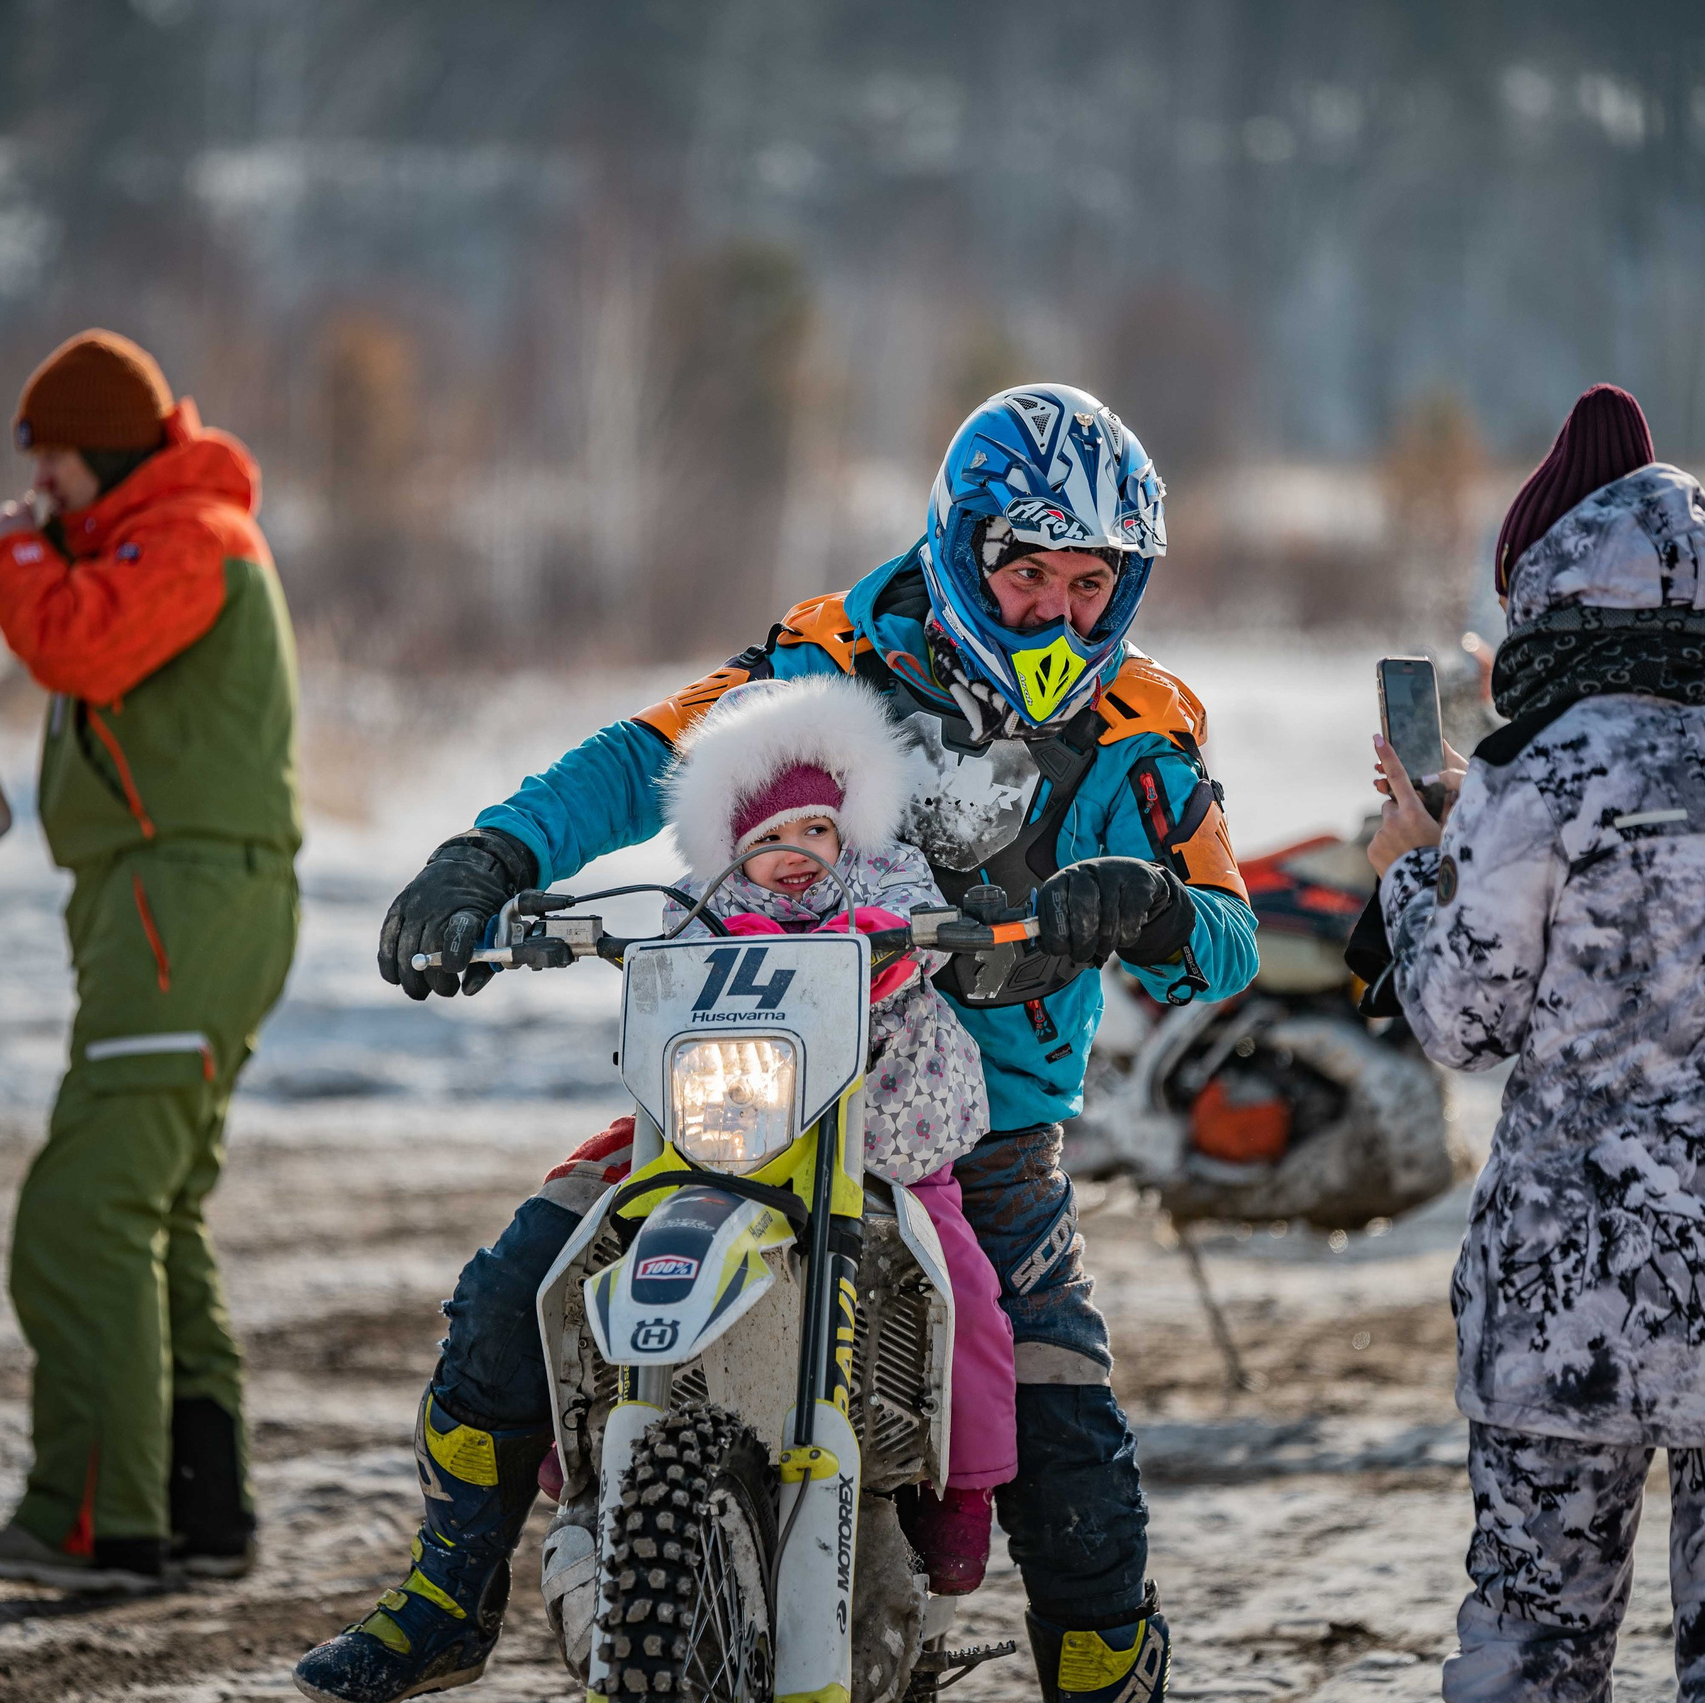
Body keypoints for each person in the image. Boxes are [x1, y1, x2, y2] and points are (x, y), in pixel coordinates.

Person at [294, 384, 1258, 1703]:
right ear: (967, 547)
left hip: (979, 1127)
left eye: (1092, 581)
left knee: (1064, 1423)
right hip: (751, 1073)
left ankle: (1102, 1668)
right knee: (521, 1284)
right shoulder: (831, 651)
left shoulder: (1147, 725)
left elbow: (1229, 937)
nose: (1059, 609)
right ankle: (448, 1590)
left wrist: (1145, 903)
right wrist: (489, 855)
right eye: (1030, 571)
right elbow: (652, 753)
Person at [1369, 383, 1705, 1702]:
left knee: (1537, 1656)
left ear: (1545, 587)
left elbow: (1462, 1015)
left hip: (1578, 1307)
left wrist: (1414, 870)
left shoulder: (1541, 764)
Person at [0, 331, 302, 1591]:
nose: (37, 485)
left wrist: (14, 550)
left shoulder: (191, 535)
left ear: (98, 445)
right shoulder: (170, 535)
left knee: (83, 1209)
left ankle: (95, 1520)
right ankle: (203, 1511)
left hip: (183, 903)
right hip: (170, 903)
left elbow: (75, 643)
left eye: (48, 458)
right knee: (157, 1208)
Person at [659, 673, 1016, 1585]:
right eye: (767, 837)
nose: (796, 853)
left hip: (889, 1136)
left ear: (846, 826)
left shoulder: (882, 873)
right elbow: (670, 958)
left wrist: (892, 935)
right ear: (730, 843)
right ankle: (598, 1455)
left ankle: (962, 1493)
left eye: (815, 828)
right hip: (740, 1143)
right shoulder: (704, 903)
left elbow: (924, 923)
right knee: (611, 1240)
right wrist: (713, 945)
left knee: (965, 1292)